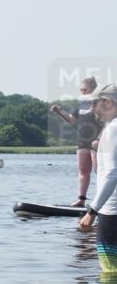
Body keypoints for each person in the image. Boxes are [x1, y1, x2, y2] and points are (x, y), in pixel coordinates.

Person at [78, 84, 117, 272]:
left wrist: (92, 211)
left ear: (108, 102)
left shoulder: (113, 129)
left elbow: (111, 173)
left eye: (94, 103)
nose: (92, 109)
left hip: (112, 214)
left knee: (110, 271)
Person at [51, 76, 101, 207]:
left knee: (100, 171)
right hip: (82, 141)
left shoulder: (101, 103)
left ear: (93, 89)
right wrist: (59, 111)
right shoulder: (80, 104)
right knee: (83, 171)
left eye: (84, 89)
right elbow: (72, 120)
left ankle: (103, 201)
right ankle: (81, 200)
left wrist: (99, 139)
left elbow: (107, 123)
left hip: (97, 142)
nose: (82, 92)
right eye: (81, 89)